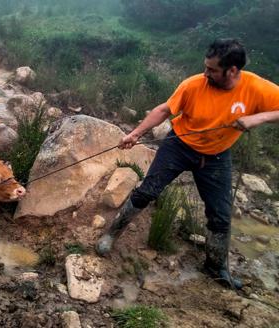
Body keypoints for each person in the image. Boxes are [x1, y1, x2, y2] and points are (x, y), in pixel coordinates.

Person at [95, 38, 279, 289]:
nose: (205, 73)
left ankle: (216, 268)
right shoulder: (193, 85)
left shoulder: (256, 87)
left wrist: (258, 118)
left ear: (233, 70)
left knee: (220, 217)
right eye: (206, 66)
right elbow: (164, 110)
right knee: (147, 192)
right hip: (178, 147)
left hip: (217, 157)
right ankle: (111, 234)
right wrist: (135, 134)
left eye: (212, 69)